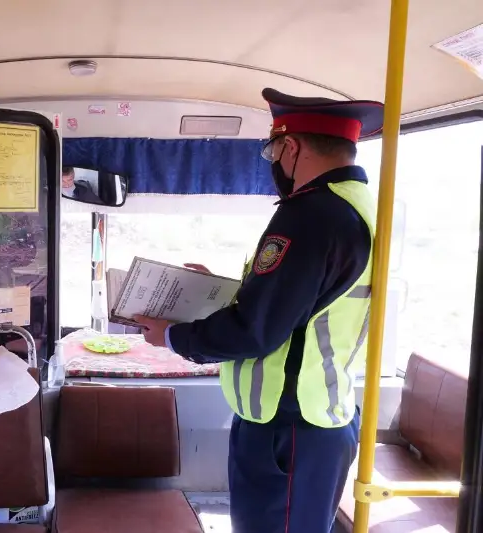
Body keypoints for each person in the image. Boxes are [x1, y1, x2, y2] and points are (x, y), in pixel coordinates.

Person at [135, 87, 383, 533]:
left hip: (286, 429)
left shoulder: (310, 214)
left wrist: (172, 336)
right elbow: (303, 301)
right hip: (321, 415)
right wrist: (221, 289)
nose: (274, 162)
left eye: (273, 149)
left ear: (291, 147)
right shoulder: (360, 207)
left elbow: (255, 331)